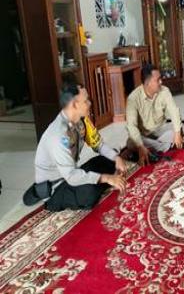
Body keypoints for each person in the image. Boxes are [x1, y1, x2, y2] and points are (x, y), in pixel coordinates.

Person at [23, 82, 127, 212]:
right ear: (74, 105)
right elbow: (71, 176)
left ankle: (100, 179)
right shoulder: (58, 135)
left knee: (109, 160)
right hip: (57, 186)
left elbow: (98, 145)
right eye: (86, 101)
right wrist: (106, 178)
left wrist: (116, 158)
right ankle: (41, 193)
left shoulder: (81, 120)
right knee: (89, 194)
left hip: (70, 172)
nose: (90, 103)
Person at [126, 63, 183, 165]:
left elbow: (174, 111)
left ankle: (153, 151)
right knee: (132, 142)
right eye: (157, 80)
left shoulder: (164, 90)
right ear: (147, 83)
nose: (161, 82)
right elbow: (131, 126)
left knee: (181, 127)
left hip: (160, 130)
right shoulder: (133, 98)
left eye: (160, 78)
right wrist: (140, 146)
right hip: (143, 135)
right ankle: (159, 148)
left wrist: (177, 133)